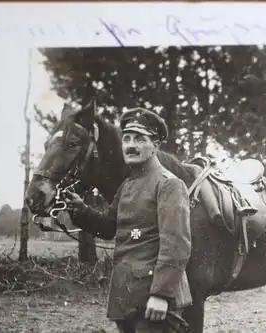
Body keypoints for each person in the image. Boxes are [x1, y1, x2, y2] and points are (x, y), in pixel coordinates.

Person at [63, 107, 192, 333]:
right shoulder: (127, 186)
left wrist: (161, 295)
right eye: (127, 138)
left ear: (156, 146)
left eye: (140, 139)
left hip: (155, 300)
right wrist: (80, 210)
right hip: (126, 297)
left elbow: (176, 245)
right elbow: (108, 228)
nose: (131, 145)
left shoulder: (169, 184)